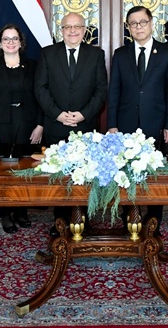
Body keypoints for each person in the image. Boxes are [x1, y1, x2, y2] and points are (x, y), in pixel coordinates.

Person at [107, 5, 168, 232]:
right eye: (133, 24)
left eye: (143, 22)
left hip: (156, 124)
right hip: (125, 124)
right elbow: (114, 91)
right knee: (126, 172)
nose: (138, 27)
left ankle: (154, 218)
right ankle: (128, 215)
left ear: (151, 23)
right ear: (128, 28)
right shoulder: (121, 54)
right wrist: (112, 124)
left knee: (154, 173)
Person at [35, 12, 107, 231]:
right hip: (56, 126)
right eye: (68, 27)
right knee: (59, 177)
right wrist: (57, 114)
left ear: (84, 30)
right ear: (62, 30)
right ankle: (60, 222)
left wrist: (84, 114)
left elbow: (101, 90)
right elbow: (40, 88)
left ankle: (84, 219)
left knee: (85, 176)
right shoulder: (47, 54)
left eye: (77, 27)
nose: (73, 31)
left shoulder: (96, 54)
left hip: (85, 127)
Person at [0, 24, 44, 234]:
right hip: (1, 126)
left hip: (28, 124)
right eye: (6, 39)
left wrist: (40, 125)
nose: (10, 42)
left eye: (14, 38)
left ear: (20, 42)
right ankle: (5, 213)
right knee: (3, 172)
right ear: (0, 44)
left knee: (24, 169)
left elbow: (42, 97)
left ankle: (21, 211)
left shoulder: (33, 66)